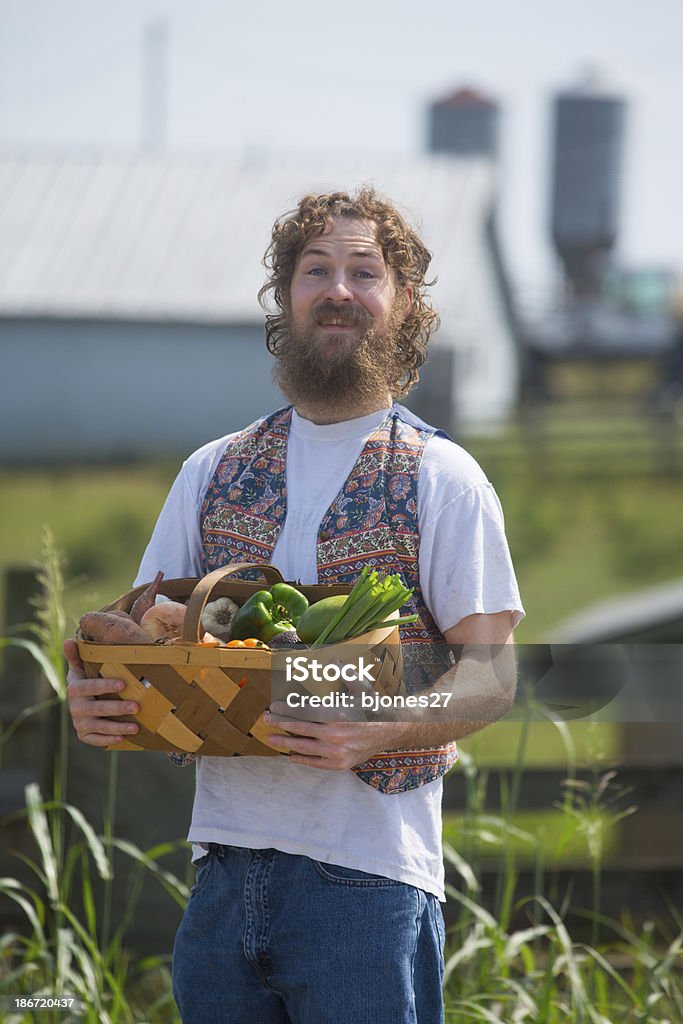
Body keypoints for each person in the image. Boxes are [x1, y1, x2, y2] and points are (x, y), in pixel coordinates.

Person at [65, 187, 524, 1024]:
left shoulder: (438, 475)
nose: (338, 288)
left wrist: (382, 728)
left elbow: (492, 673)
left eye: (364, 271)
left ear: (404, 302)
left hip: (368, 879)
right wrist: (94, 687)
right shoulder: (213, 468)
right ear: (286, 296)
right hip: (221, 868)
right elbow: (140, 632)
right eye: (316, 270)